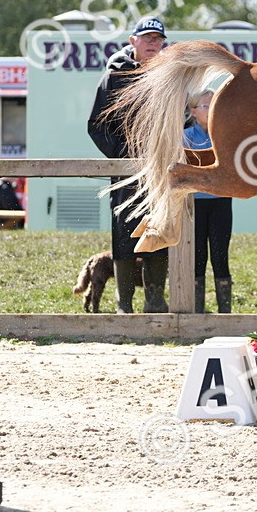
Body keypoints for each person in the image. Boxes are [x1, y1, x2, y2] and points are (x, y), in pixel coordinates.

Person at [87, 15, 171, 313]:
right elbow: (97, 125)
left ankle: (156, 301)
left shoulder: (169, 75)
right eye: (147, 38)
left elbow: (183, 117)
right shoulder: (113, 76)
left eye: (158, 39)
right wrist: (121, 155)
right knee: (124, 231)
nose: (152, 43)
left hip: (161, 167)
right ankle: (124, 304)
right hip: (125, 170)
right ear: (132, 40)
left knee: (159, 229)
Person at [184, 89, 234, 313]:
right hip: (195, 203)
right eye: (206, 105)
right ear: (194, 111)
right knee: (197, 257)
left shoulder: (225, 133)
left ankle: (225, 312)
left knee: (220, 254)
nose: (211, 109)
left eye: (215, 104)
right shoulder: (185, 136)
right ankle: (197, 310)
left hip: (221, 200)